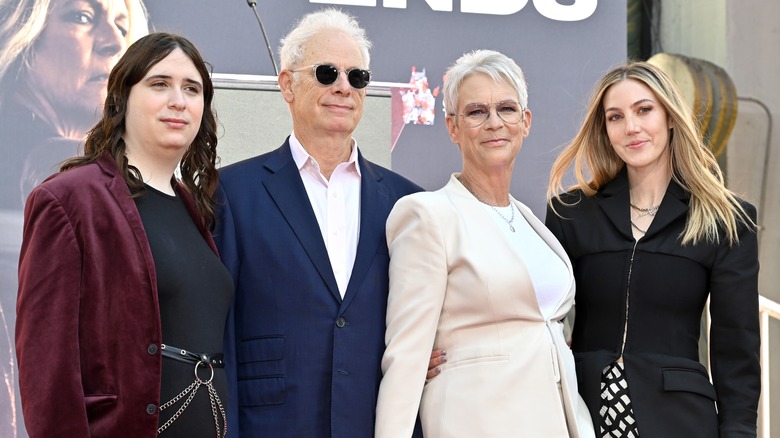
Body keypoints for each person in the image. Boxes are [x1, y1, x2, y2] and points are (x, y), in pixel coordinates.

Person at [213, 8, 422, 438]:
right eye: (327, 73)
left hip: (374, 422)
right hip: (270, 423)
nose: (343, 87)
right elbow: (220, 334)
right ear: (287, 84)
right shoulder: (232, 192)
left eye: (357, 77)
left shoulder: (408, 202)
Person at [16, 32, 233, 437]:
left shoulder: (196, 209)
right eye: (159, 84)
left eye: (192, 88)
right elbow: (47, 369)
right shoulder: (69, 199)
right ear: (121, 97)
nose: (179, 101)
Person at [375, 49, 594, 437]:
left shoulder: (531, 223)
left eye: (507, 109)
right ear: (453, 127)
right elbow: (406, 359)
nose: (494, 123)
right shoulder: (428, 215)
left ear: (525, 123)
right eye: (476, 112)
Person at [543, 61, 760, 437]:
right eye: (615, 117)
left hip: (680, 419)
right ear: (605, 129)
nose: (631, 128)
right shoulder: (571, 213)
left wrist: (738, 432)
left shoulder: (726, 219)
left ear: (670, 117)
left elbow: (735, 348)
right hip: (582, 414)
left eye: (644, 110)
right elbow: (541, 322)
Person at [0, 3, 148, 433]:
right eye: (82, 18)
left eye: (123, 26)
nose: (115, 42)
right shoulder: (50, 162)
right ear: (22, 36)